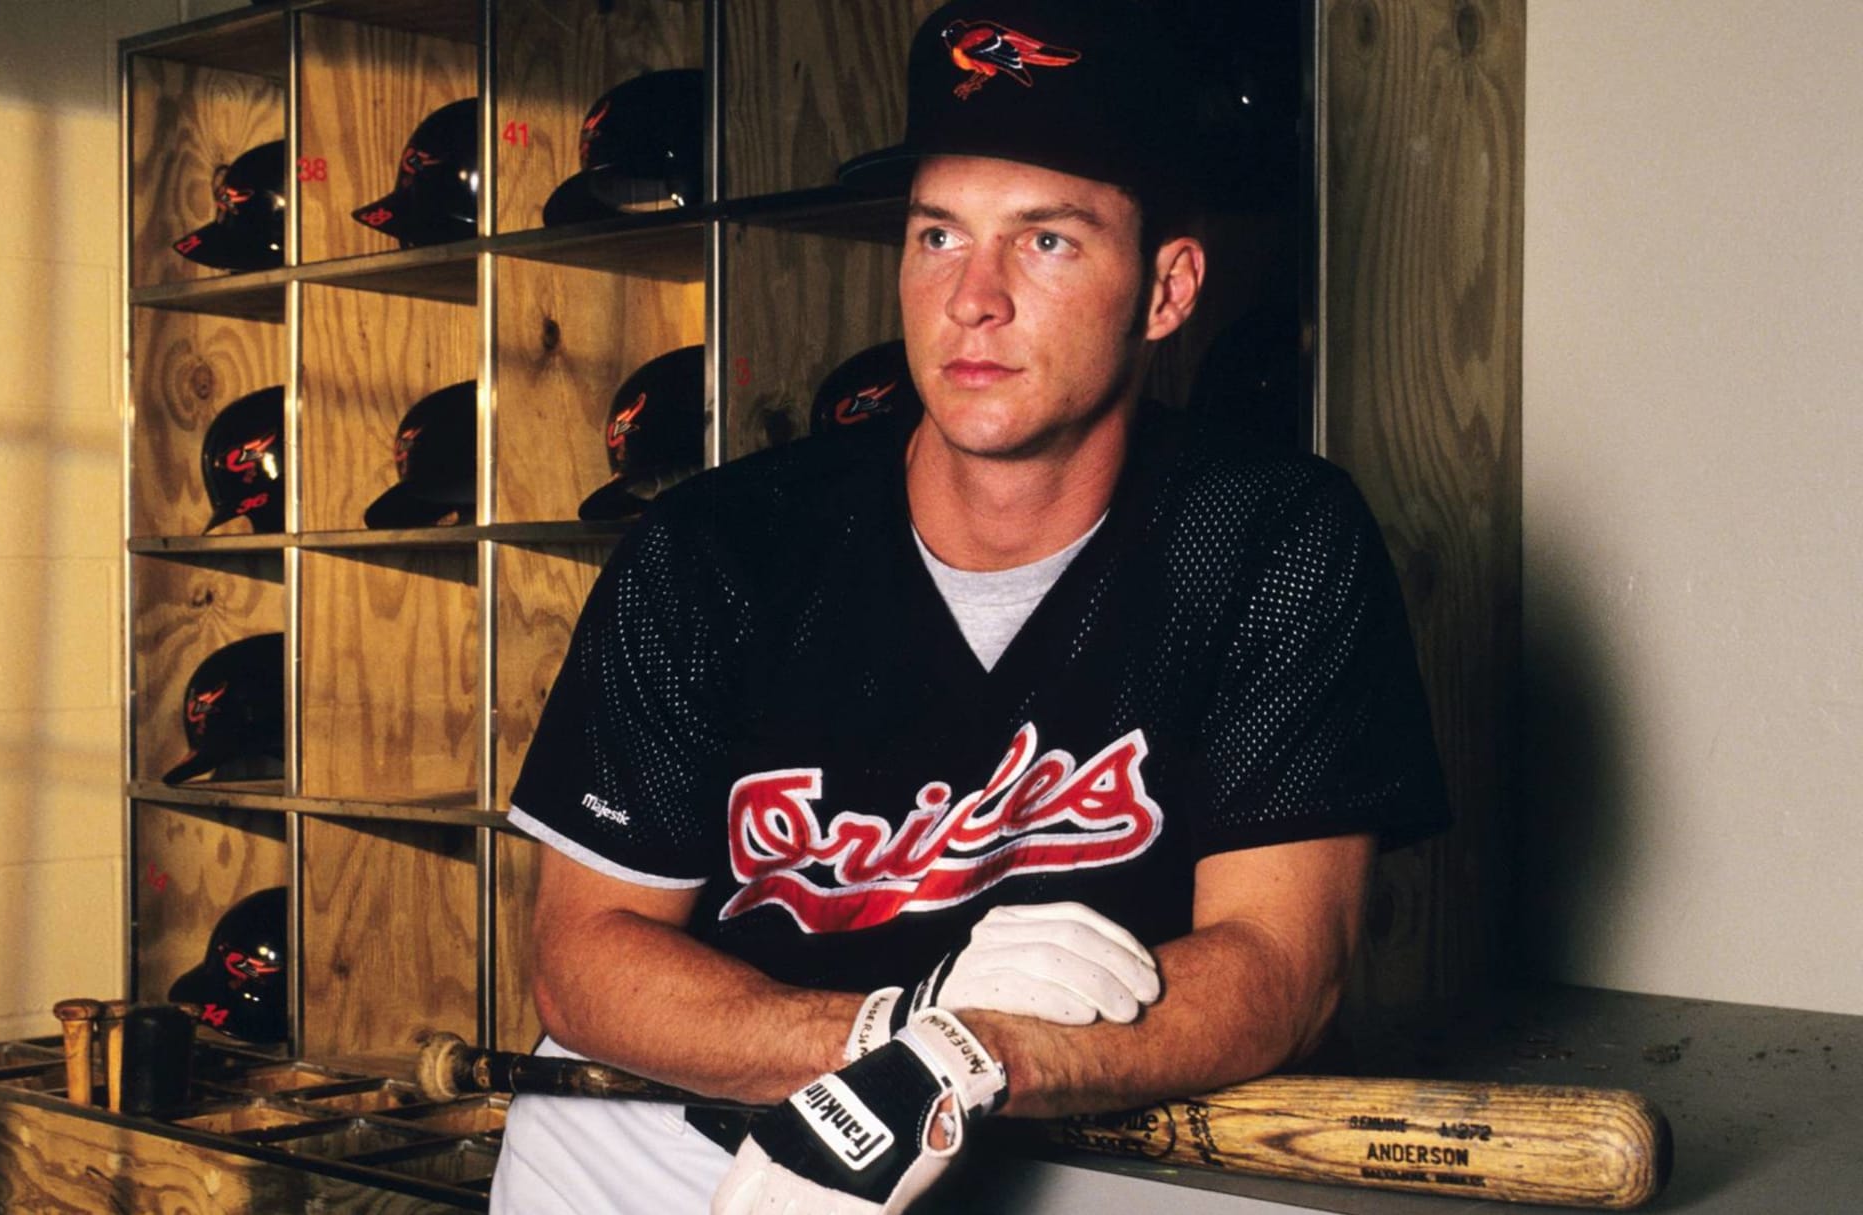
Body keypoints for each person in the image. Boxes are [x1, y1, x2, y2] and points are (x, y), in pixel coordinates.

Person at [489, 1, 1449, 1211]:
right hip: (687, 1124)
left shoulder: (1269, 537)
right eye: (939, 235)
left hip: (1078, 1134)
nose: (973, 298)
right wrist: (890, 1035)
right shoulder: (717, 547)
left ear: (1166, 289)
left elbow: (1281, 970)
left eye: (1046, 241)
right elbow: (584, 961)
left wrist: (965, 1063)